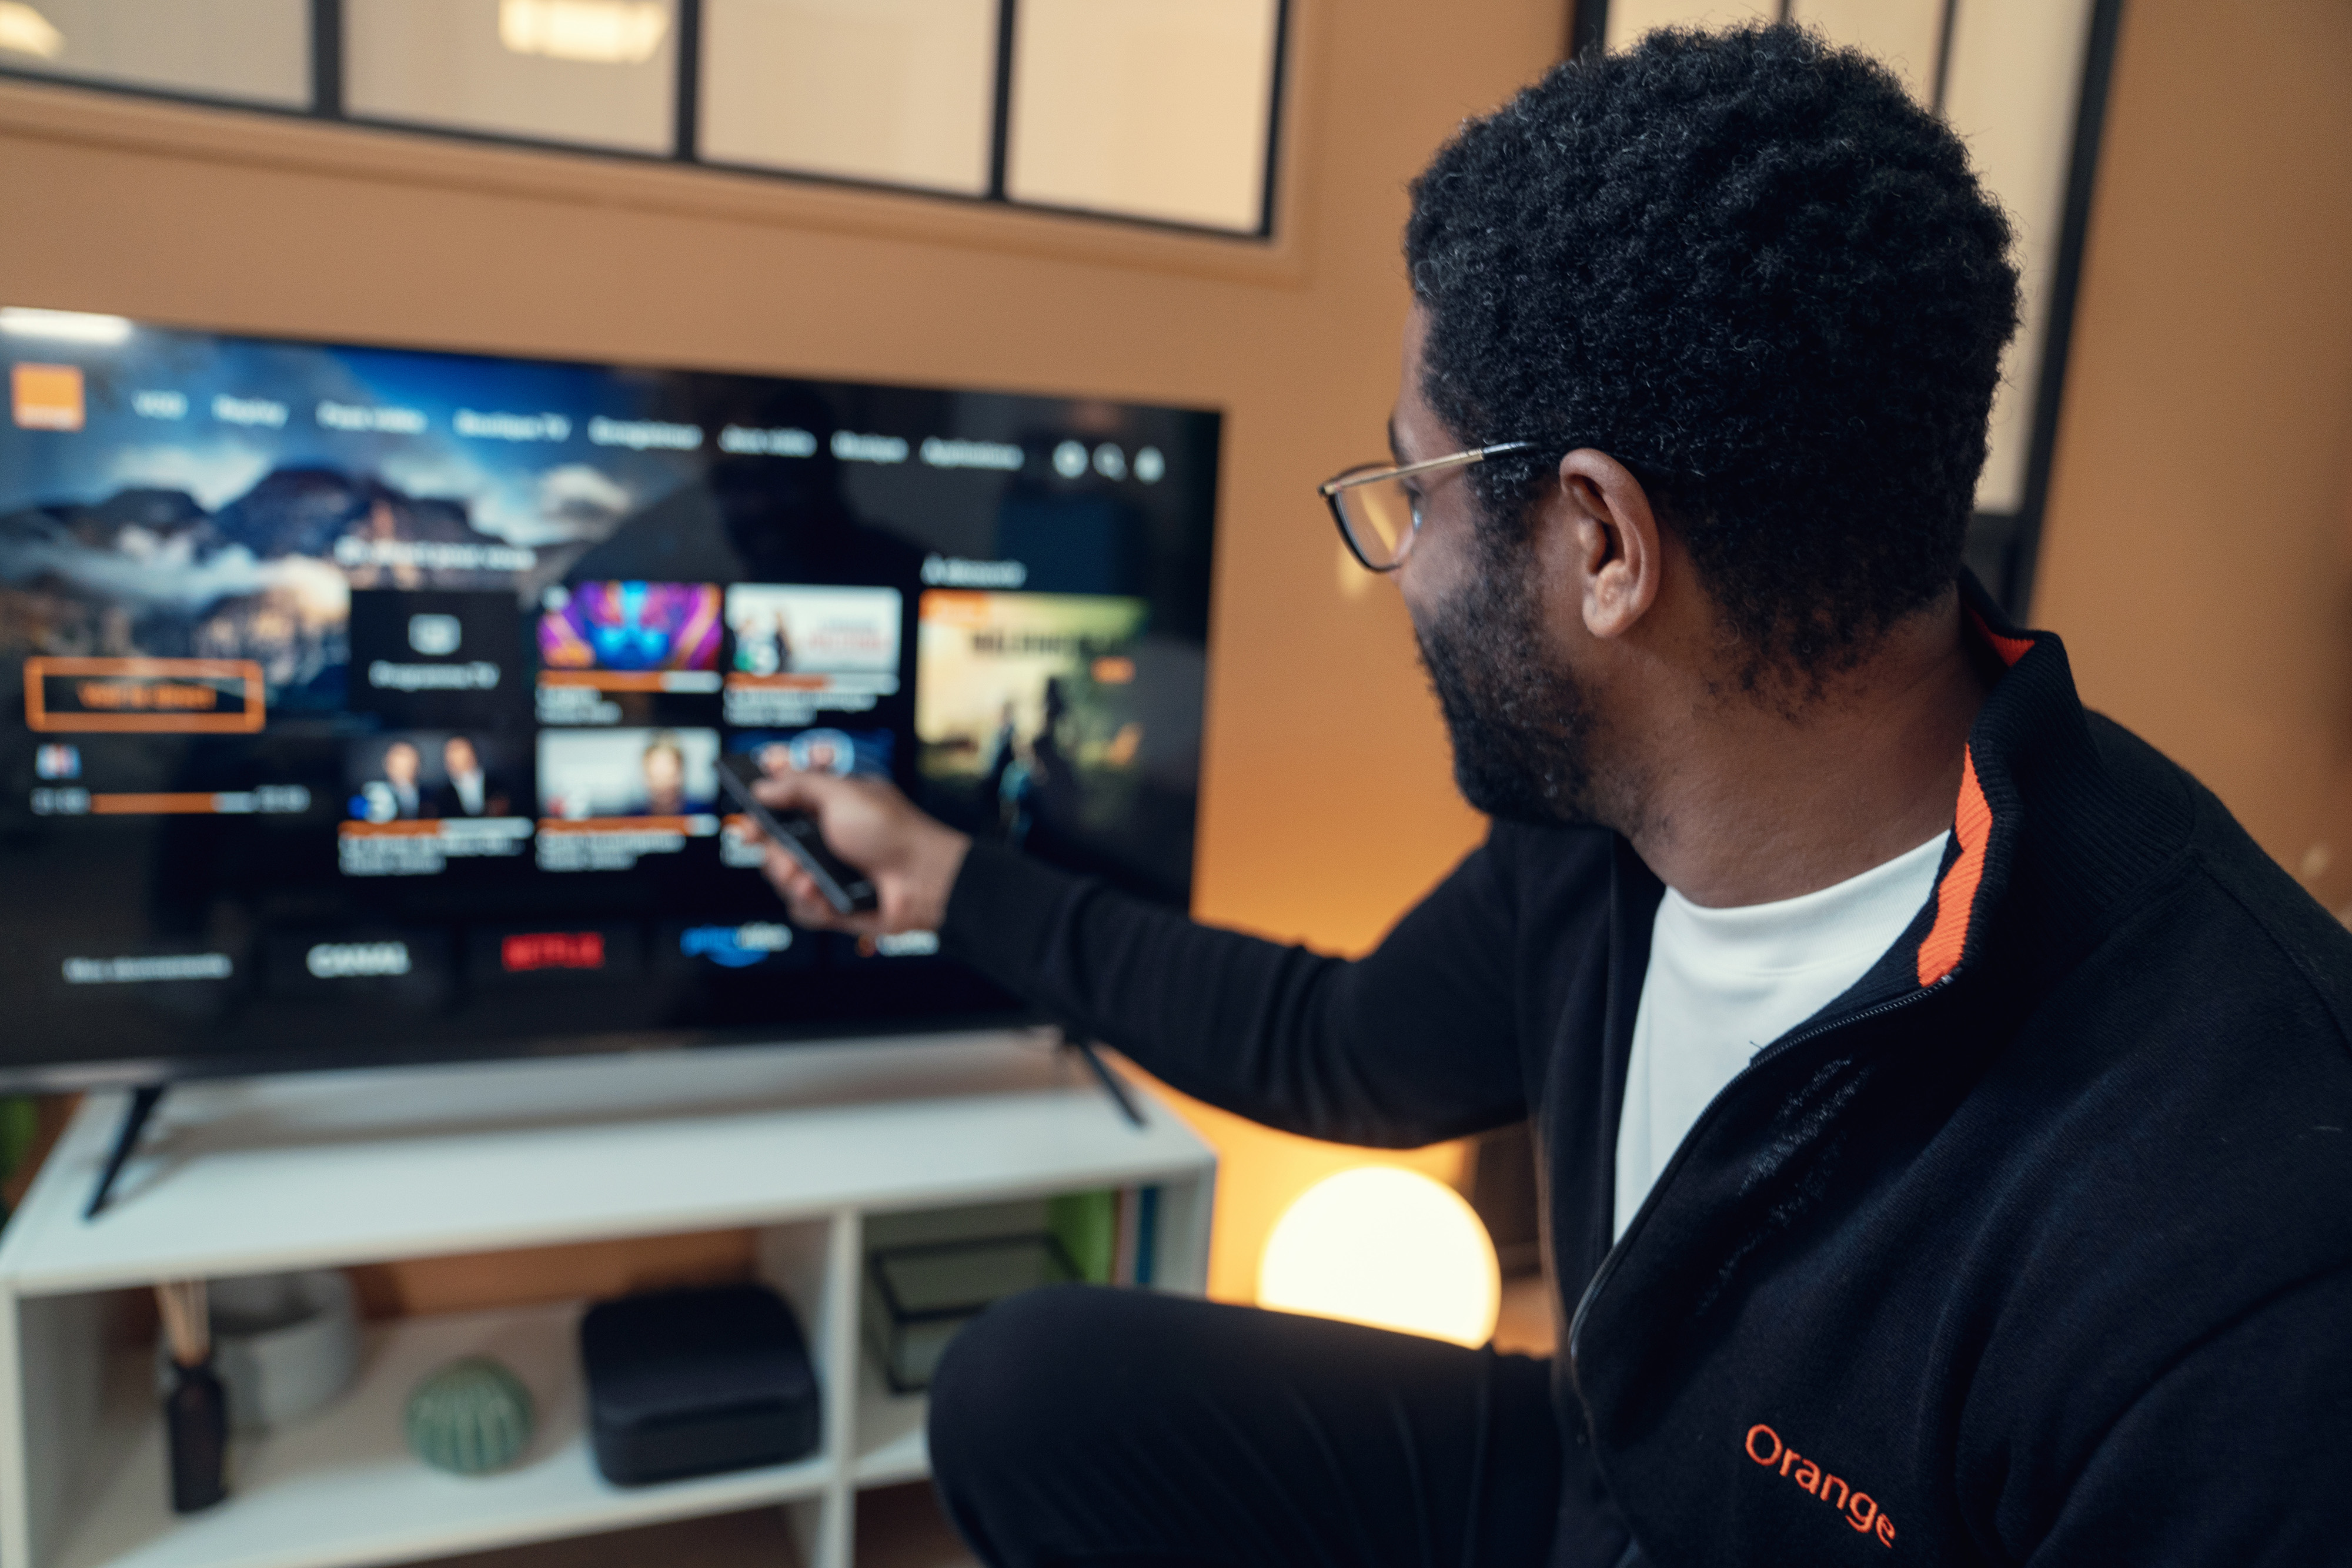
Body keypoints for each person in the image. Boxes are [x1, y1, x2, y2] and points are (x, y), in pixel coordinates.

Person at [750, 24, 2352, 1568]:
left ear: (1603, 544)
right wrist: (954, 881)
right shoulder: (1611, 822)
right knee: (1028, 1393)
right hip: (1613, 1475)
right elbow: (1344, 1046)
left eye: (1412, 487)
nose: (1399, 565)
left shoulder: (2243, 1234)